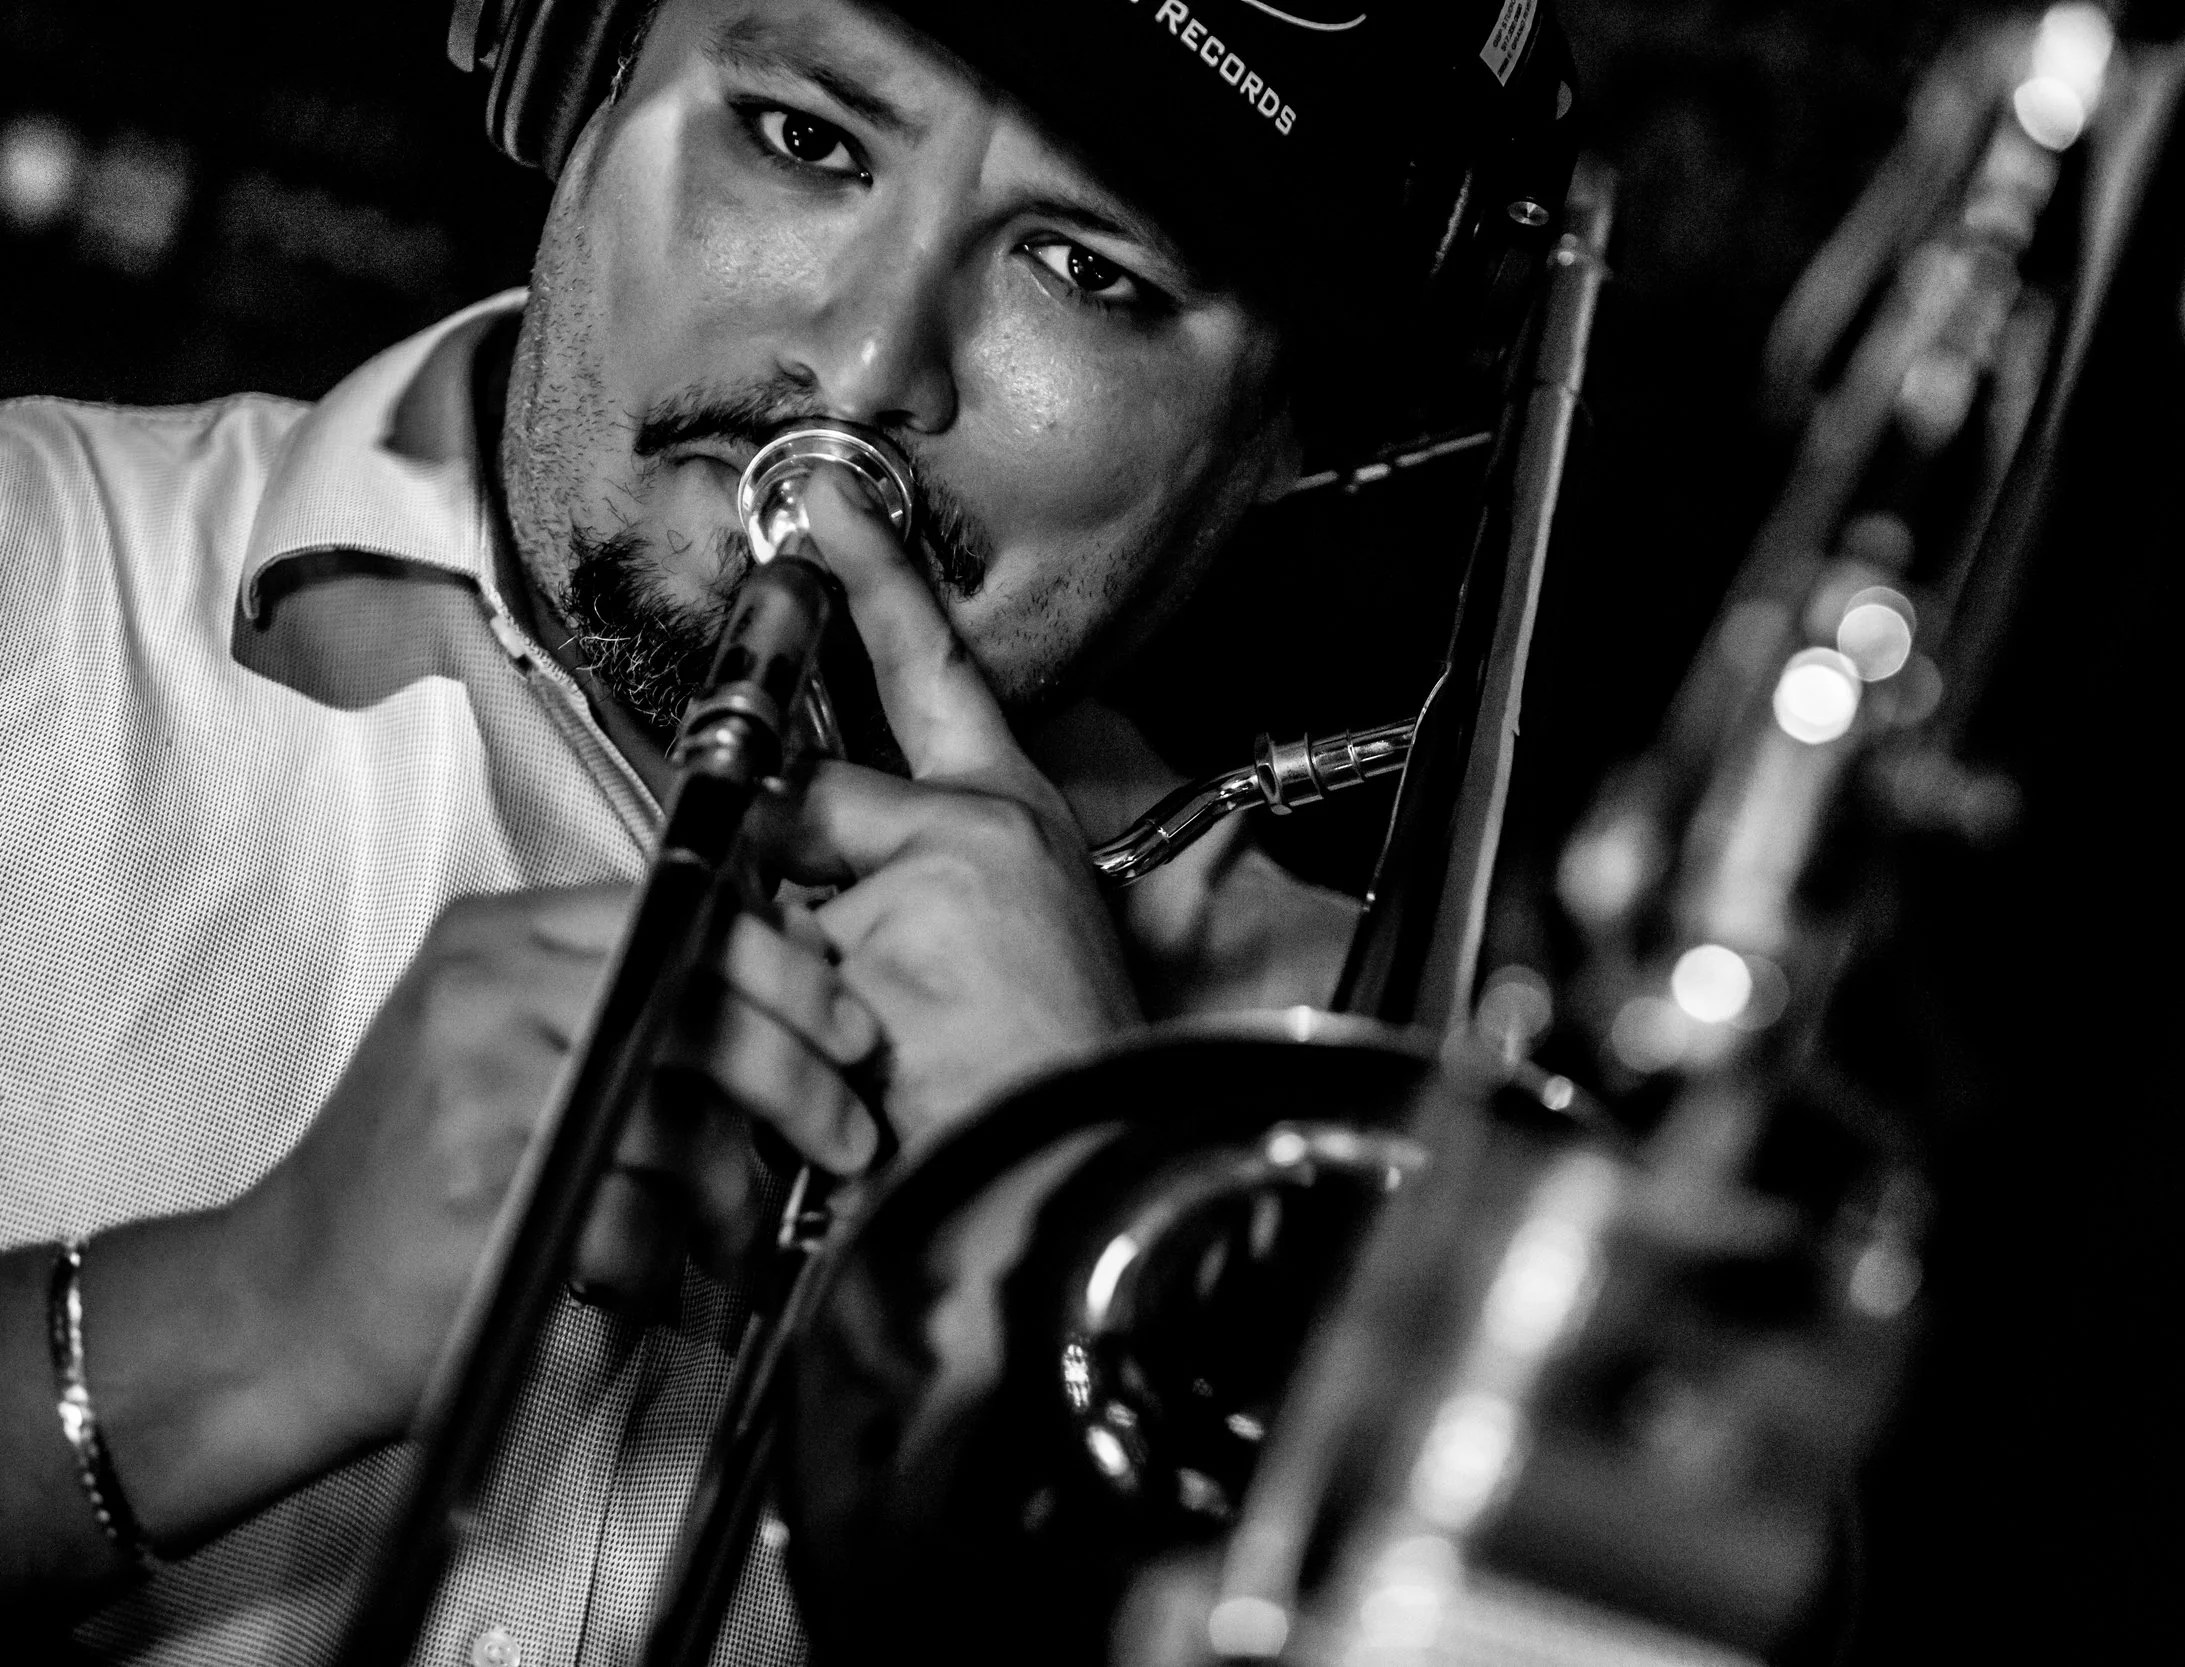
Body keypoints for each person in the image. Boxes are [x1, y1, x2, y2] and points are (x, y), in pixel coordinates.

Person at [0, 0, 1572, 1660]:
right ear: (573, 63)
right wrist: (243, 1318)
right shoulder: (31, 569)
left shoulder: (1398, 1136)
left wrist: (1093, 1307)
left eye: (1088, 272)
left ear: (1302, 441)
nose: (872, 367)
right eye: (804, 139)